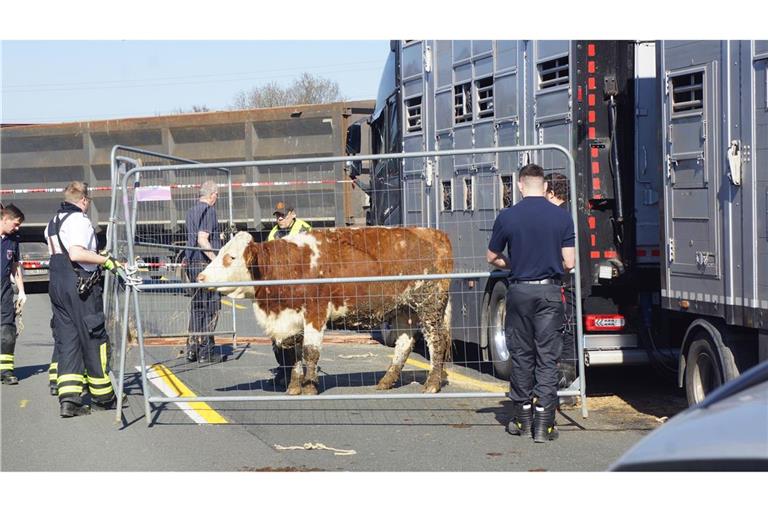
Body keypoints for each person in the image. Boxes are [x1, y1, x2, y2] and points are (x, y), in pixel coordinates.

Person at [487, 164, 575, 442]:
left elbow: (492, 256)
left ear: (521, 186)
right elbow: (569, 263)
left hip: (519, 291)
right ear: (545, 187)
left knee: (522, 355)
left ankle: (522, 419)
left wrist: (514, 264)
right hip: (549, 292)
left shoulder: (508, 216)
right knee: (547, 357)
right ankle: (544, 424)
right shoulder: (561, 217)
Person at [45, 182, 122, 417]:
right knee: (93, 336)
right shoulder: (79, 220)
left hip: (57, 281)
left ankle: (69, 400)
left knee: (68, 339)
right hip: (80, 282)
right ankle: (103, 396)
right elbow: (77, 253)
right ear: (84, 200)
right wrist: (107, 261)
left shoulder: (53, 222)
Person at [266, 201, 311, 387]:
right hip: (280, 290)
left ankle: (303, 370)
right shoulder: (273, 233)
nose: (279, 218)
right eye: (277, 215)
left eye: (282, 215)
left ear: (293, 214)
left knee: (300, 333)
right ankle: (284, 369)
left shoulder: (304, 230)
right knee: (278, 333)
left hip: (300, 290)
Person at [544, 173, 578, 392]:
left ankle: (564, 380)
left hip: (563, 282)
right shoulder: (573, 214)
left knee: (564, 330)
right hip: (575, 281)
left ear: (552, 193)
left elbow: (566, 259)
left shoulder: (557, 217)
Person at [184, 180, 223, 363]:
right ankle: (206, 352)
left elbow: (192, 238)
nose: (217, 198)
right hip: (205, 264)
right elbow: (202, 239)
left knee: (197, 307)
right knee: (211, 308)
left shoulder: (191, 211)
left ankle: (192, 348)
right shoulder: (209, 211)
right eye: (217, 195)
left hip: (192, 263)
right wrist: (216, 261)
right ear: (212, 194)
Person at [1, 204, 27, 385]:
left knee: (7, 330)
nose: (16, 228)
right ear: (5, 219)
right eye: (15, 224)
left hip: (3, 290)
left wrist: (22, 291)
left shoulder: (13, 240)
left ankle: (6, 370)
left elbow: (15, 266)